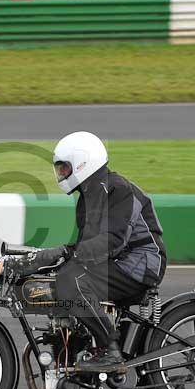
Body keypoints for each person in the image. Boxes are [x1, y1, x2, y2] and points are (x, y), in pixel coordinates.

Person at [24, 131, 167, 372]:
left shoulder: (118, 189)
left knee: (71, 281)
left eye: (64, 168)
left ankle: (110, 351)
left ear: (83, 163)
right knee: (61, 277)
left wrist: (64, 254)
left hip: (141, 261)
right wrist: (45, 260)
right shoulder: (88, 197)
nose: (61, 174)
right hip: (121, 260)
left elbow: (112, 240)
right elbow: (85, 248)